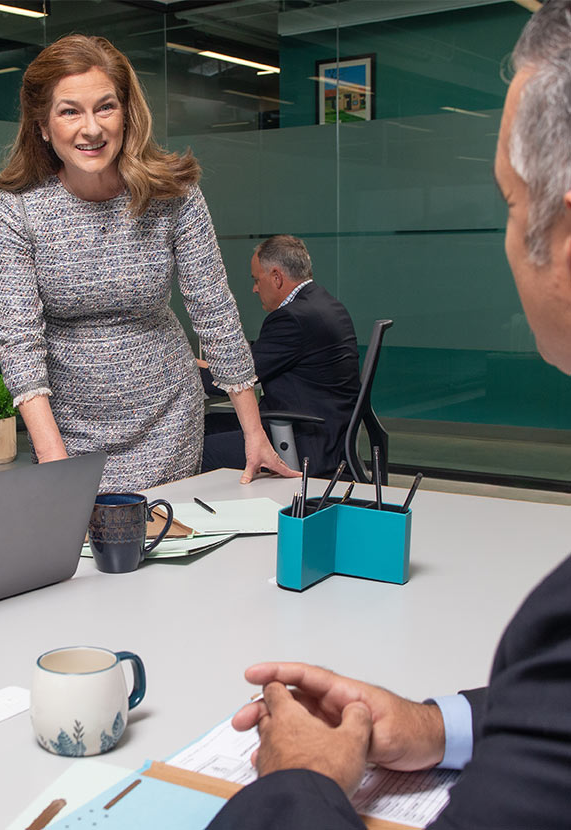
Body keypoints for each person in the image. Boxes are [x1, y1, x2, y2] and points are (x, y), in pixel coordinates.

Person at [207, 2, 571, 827]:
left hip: (309, 433)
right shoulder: (326, 304)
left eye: (510, 205)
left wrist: (298, 781)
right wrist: (435, 724)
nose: (507, 241)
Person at [0, 34, 295, 491]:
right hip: (68, 430)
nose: (91, 129)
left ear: (127, 114)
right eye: (70, 111)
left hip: (169, 415)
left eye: (105, 107)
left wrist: (253, 430)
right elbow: (20, 342)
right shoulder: (18, 209)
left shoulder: (175, 195)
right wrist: (53, 458)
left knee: (173, 546)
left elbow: (215, 311)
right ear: (42, 126)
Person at [200, 235, 359, 478]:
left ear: (276, 277)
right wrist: (209, 365)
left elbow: (233, 381)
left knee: (192, 449)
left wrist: (183, 372)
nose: (254, 288)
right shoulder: (326, 305)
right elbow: (257, 362)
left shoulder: (291, 318)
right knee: (207, 425)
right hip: (327, 434)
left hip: (302, 441)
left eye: (256, 279)